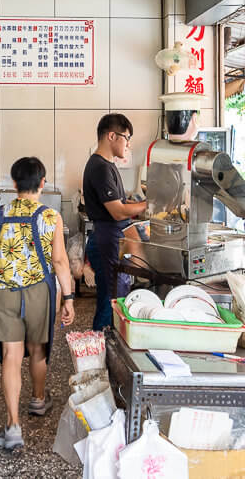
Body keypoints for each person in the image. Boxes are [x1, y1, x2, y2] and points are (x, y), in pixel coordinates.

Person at [0, 157, 75, 452]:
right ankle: (38, 400)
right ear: (42, 183)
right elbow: (60, 261)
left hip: (3, 292)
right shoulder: (50, 216)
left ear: (14, 184)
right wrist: (69, 298)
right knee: (38, 348)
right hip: (39, 291)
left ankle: (13, 426)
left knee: (12, 355)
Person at [83, 114, 147, 330]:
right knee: (110, 302)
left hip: (112, 239)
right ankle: (99, 351)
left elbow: (121, 202)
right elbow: (118, 212)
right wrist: (149, 205)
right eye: (126, 138)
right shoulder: (100, 167)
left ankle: (107, 350)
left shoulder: (107, 165)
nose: (128, 144)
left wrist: (138, 203)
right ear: (112, 136)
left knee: (115, 298)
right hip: (105, 239)